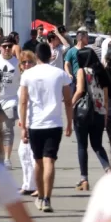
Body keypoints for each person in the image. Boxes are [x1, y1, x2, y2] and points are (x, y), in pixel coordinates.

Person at [19, 43, 73, 213]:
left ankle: (40, 197)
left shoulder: (28, 74)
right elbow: (68, 101)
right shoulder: (60, 74)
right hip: (54, 123)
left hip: (35, 124)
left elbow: (23, 101)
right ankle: (47, 199)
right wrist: (70, 123)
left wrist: (23, 126)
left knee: (38, 162)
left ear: (36, 56)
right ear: (51, 55)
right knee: (50, 160)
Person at [72, 48, 111, 191]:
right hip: (99, 113)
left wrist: (70, 104)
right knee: (97, 145)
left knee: (82, 145)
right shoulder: (102, 72)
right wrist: (105, 115)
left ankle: (84, 179)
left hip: (83, 113)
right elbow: (106, 97)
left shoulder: (82, 71)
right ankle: (108, 171)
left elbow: (80, 90)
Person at [0, 36, 20, 168]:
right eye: (5, 46)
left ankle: (7, 159)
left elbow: (22, 84)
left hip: (11, 100)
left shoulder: (18, 63)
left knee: (7, 129)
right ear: (0, 48)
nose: (7, 49)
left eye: (10, 46)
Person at [16, 50, 36, 195]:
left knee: (30, 153)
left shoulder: (33, 79)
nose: (27, 64)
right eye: (24, 62)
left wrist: (25, 121)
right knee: (24, 153)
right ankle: (28, 184)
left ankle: (33, 185)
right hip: (25, 119)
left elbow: (26, 102)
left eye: (29, 62)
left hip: (32, 120)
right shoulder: (24, 77)